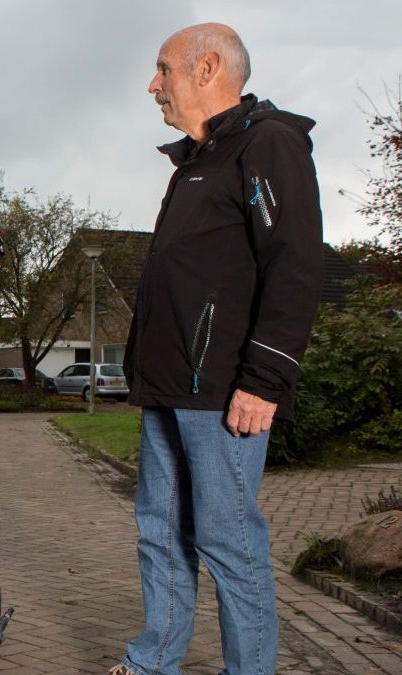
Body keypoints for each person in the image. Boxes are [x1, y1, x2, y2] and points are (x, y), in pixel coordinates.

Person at [112, 23, 323, 675]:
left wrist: (265, 378)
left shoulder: (270, 145)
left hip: (226, 391)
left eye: (163, 69)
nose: (154, 84)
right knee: (161, 532)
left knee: (228, 541)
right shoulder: (198, 161)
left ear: (208, 69)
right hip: (168, 385)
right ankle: (154, 661)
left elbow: (293, 264)